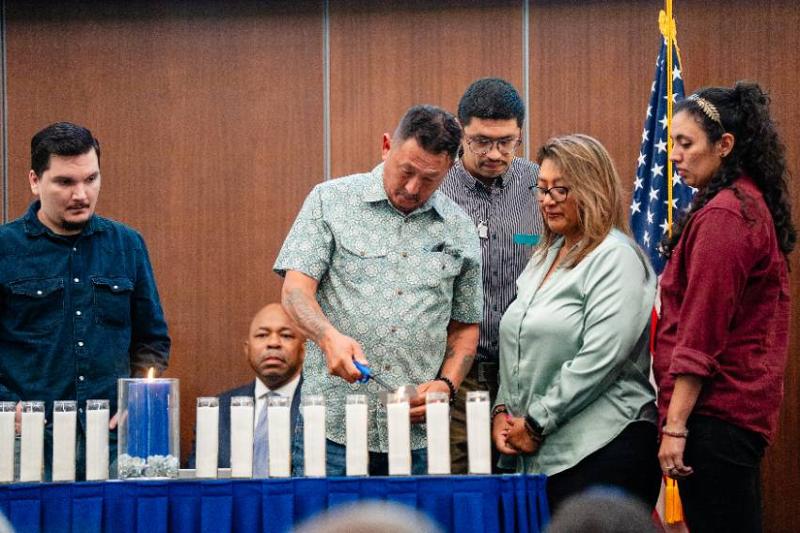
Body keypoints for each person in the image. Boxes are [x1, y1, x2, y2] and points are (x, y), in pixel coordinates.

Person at [275, 105, 482, 475]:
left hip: (416, 435)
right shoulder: (329, 201)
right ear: (387, 146)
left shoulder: (460, 229)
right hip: (331, 428)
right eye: (406, 171)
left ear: (449, 170)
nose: (412, 188)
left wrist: (447, 384)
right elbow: (294, 292)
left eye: (430, 179)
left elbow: (465, 327)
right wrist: (327, 338)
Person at [492, 134, 660, 512]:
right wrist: (502, 411)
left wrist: (535, 423)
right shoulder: (545, 255)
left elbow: (601, 356)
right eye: (542, 189)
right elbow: (517, 340)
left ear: (591, 189)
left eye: (560, 190)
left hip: (603, 450)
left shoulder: (616, 257)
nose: (547, 200)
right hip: (543, 459)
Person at [654, 82, 794, 533]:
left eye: (686, 143)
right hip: (725, 421)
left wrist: (675, 427)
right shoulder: (739, 204)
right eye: (672, 141)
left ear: (724, 145)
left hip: (712, 420)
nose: (674, 154)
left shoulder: (725, 218)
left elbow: (701, 335)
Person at [0, 122, 170, 480]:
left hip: (111, 438)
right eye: (65, 182)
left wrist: (138, 397)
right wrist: (5, 404)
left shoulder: (127, 244)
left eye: (90, 179)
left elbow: (152, 338)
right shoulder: (5, 248)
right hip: (27, 435)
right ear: (35, 181)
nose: (81, 194)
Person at [438, 77, 543, 473]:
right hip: (455, 374)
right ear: (460, 130)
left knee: (523, 490)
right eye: (481, 141)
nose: (495, 153)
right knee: (457, 483)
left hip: (527, 372)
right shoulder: (436, 187)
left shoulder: (541, 186)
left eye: (507, 141)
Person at [187, 303, 304, 476]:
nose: (273, 343)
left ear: (303, 350)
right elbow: (196, 483)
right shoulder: (217, 411)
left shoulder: (320, 408)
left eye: (286, 335)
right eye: (262, 335)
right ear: (247, 349)